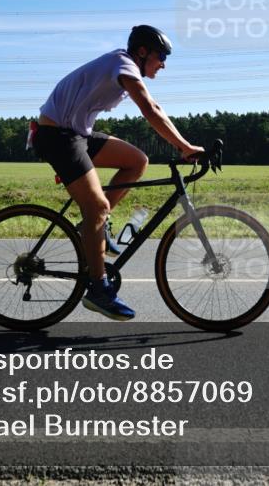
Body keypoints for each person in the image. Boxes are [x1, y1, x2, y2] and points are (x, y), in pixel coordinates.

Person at [35, 25, 205, 321]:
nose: (163, 64)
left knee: (137, 161)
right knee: (97, 205)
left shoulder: (124, 66)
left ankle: (93, 225)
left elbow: (156, 106)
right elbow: (149, 108)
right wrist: (184, 146)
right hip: (57, 136)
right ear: (142, 52)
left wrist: (183, 144)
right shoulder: (123, 64)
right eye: (161, 56)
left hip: (76, 133)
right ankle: (99, 289)